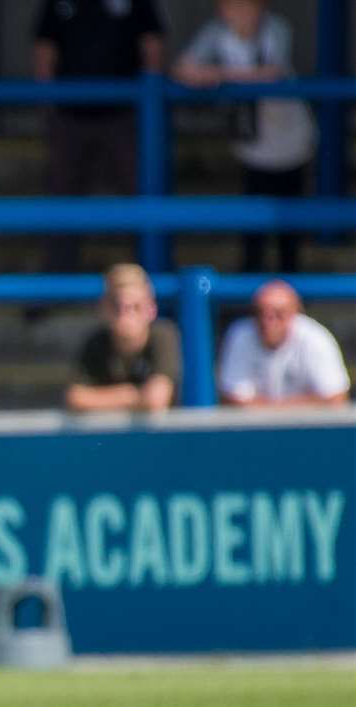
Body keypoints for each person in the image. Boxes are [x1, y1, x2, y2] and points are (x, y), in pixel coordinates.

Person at [173, 0, 316, 273]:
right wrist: (232, 78)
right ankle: (251, 283)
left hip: (289, 135)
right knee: (253, 219)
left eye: (246, 6)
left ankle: (291, 283)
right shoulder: (217, 32)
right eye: (232, 6)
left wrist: (218, 76)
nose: (239, 13)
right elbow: (182, 69)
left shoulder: (276, 28)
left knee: (290, 218)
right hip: (252, 140)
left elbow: (273, 73)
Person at [33, 0, 166, 275]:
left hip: (125, 114)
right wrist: (47, 108)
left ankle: (150, 280)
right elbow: (44, 52)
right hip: (69, 116)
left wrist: (151, 107)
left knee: (143, 196)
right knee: (61, 199)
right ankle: (56, 284)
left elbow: (152, 49)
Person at [64, 264, 180, 413]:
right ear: (103, 308)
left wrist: (102, 399)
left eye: (136, 306)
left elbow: (156, 399)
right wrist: (133, 394)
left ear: (152, 309)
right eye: (117, 306)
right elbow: (75, 398)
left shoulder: (164, 335)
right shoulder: (95, 342)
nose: (126, 314)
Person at [218, 281, 350, 407]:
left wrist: (268, 407)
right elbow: (232, 400)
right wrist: (309, 402)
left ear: (295, 313)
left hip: (310, 427)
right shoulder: (240, 335)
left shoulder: (316, 339)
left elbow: (336, 398)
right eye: (260, 312)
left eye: (278, 313)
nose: (268, 321)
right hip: (253, 428)